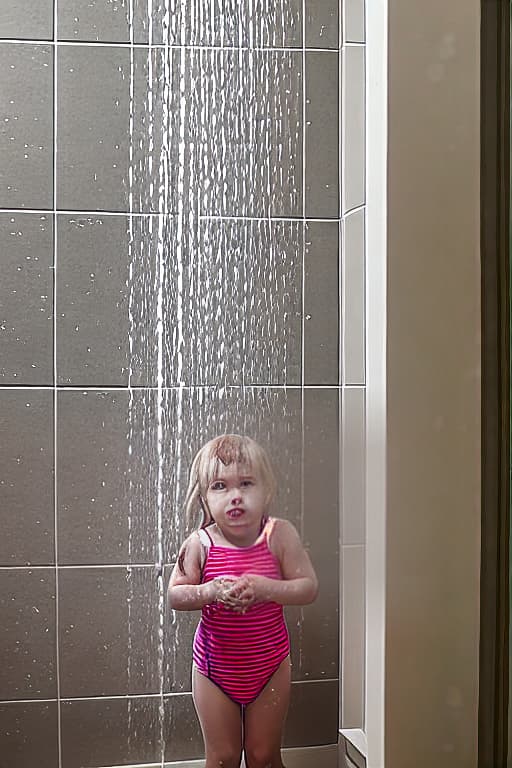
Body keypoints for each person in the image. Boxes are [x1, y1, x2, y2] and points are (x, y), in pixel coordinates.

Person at [167, 434, 318, 768]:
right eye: (220, 486)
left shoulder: (279, 535)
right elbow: (176, 594)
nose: (235, 496)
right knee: (222, 758)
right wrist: (209, 591)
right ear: (204, 497)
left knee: (264, 756)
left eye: (246, 483)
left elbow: (308, 587)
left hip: (269, 665)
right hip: (214, 669)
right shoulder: (199, 544)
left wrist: (266, 588)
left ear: (266, 490)